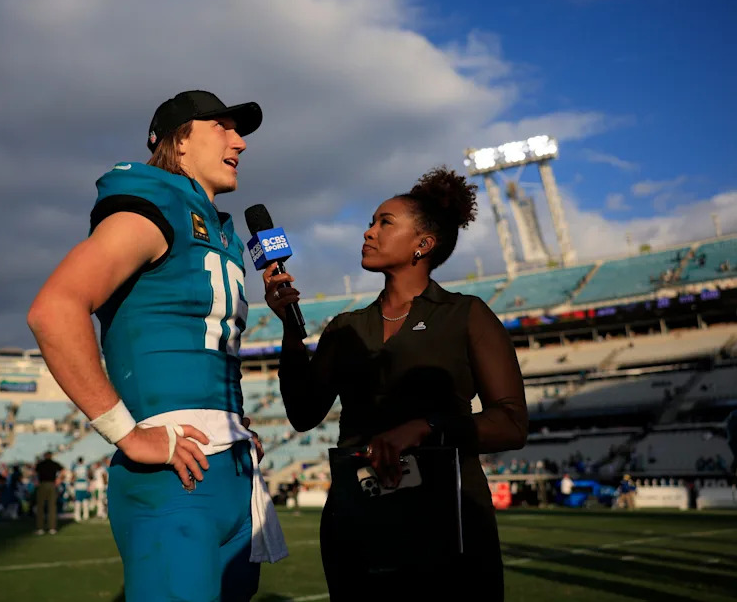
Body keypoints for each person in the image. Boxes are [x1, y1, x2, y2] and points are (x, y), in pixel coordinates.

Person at [27, 90, 284, 601]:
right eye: (223, 127)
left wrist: (231, 423)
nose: (240, 143)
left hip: (230, 473)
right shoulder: (155, 203)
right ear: (180, 141)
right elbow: (54, 310)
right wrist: (128, 434)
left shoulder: (223, 231)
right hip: (174, 476)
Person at [264, 167, 528, 600]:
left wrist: (428, 426)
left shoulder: (466, 314)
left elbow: (512, 423)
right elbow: (304, 414)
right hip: (359, 517)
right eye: (370, 221)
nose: (368, 232)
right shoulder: (345, 327)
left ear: (423, 244)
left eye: (385, 222)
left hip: (449, 520)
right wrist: (291, 335)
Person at [33, 451, 63, 535]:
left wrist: (36, 481)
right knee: (52, 507)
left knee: (40, 507)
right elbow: (63, 470)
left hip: (42, 484)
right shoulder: (54, 463)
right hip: (52, 485)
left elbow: (34, 473)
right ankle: (52, 528)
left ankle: (40, 528)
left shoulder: (40, 464)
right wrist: (59, 479)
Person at [71, 456, 91, 522]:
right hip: (84, 484)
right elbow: (89, 475)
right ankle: (86, 515)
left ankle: (77, 516)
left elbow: (73, 476)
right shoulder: (86, 467)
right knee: (85, 500)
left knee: (78, 501)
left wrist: (72, 484)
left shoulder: (75, 467)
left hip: (78, 484)